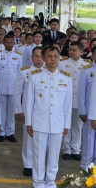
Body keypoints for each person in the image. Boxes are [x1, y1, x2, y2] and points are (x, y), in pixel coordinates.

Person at [25, 45, 72, 188]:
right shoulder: (35, 77)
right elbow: (29, 102)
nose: (53, 59)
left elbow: (67, 104)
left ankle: (51, 181)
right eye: (49, 56)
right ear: (44, 58)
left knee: (54, 155)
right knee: (38, 155)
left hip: (58, 123)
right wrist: (29, 123)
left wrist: (66, 125)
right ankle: (38, 182)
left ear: (59, 58)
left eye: (55, 56)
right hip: (39, 122)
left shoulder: (66, 78)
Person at [13, 47, 44, 176]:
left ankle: (40, 165)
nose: (38, 59)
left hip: (43, 112)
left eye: (41, 56)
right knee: (28, 140)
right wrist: (19, 111)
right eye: (36, 56)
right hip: (28, 111)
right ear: (32, 58)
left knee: (42, 140)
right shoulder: (24, 72)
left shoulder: (49, 73)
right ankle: (28, 164)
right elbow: (17, 93)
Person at [59, 41, 89, 161]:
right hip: (65, 100)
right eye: (70, 50)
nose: (71, 52)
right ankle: (66, 149)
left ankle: (76, 149)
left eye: (74, 50)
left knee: (77, 126)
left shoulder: (86, 66)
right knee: (66, 125)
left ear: (81, 51)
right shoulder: (62, 64)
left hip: (79, 101)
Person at [0, 34, 22, 142]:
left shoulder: (18, 56)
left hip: (13, 88)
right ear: (3, 43)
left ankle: (10, 132)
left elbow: (20, 75)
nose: (9, 45)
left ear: (14, 43)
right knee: (1, 111)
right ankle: (1, 132)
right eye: (7, 43)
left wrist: (19, 89)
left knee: (11, 111)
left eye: (11, 42)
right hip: (1, 88)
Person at [78, 45, 96, 170]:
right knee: (88, 142)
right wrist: (82, 111)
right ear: (93, 56)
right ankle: (86, 168)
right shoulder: (86, 71)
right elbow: (81, 93)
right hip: (90, 113)